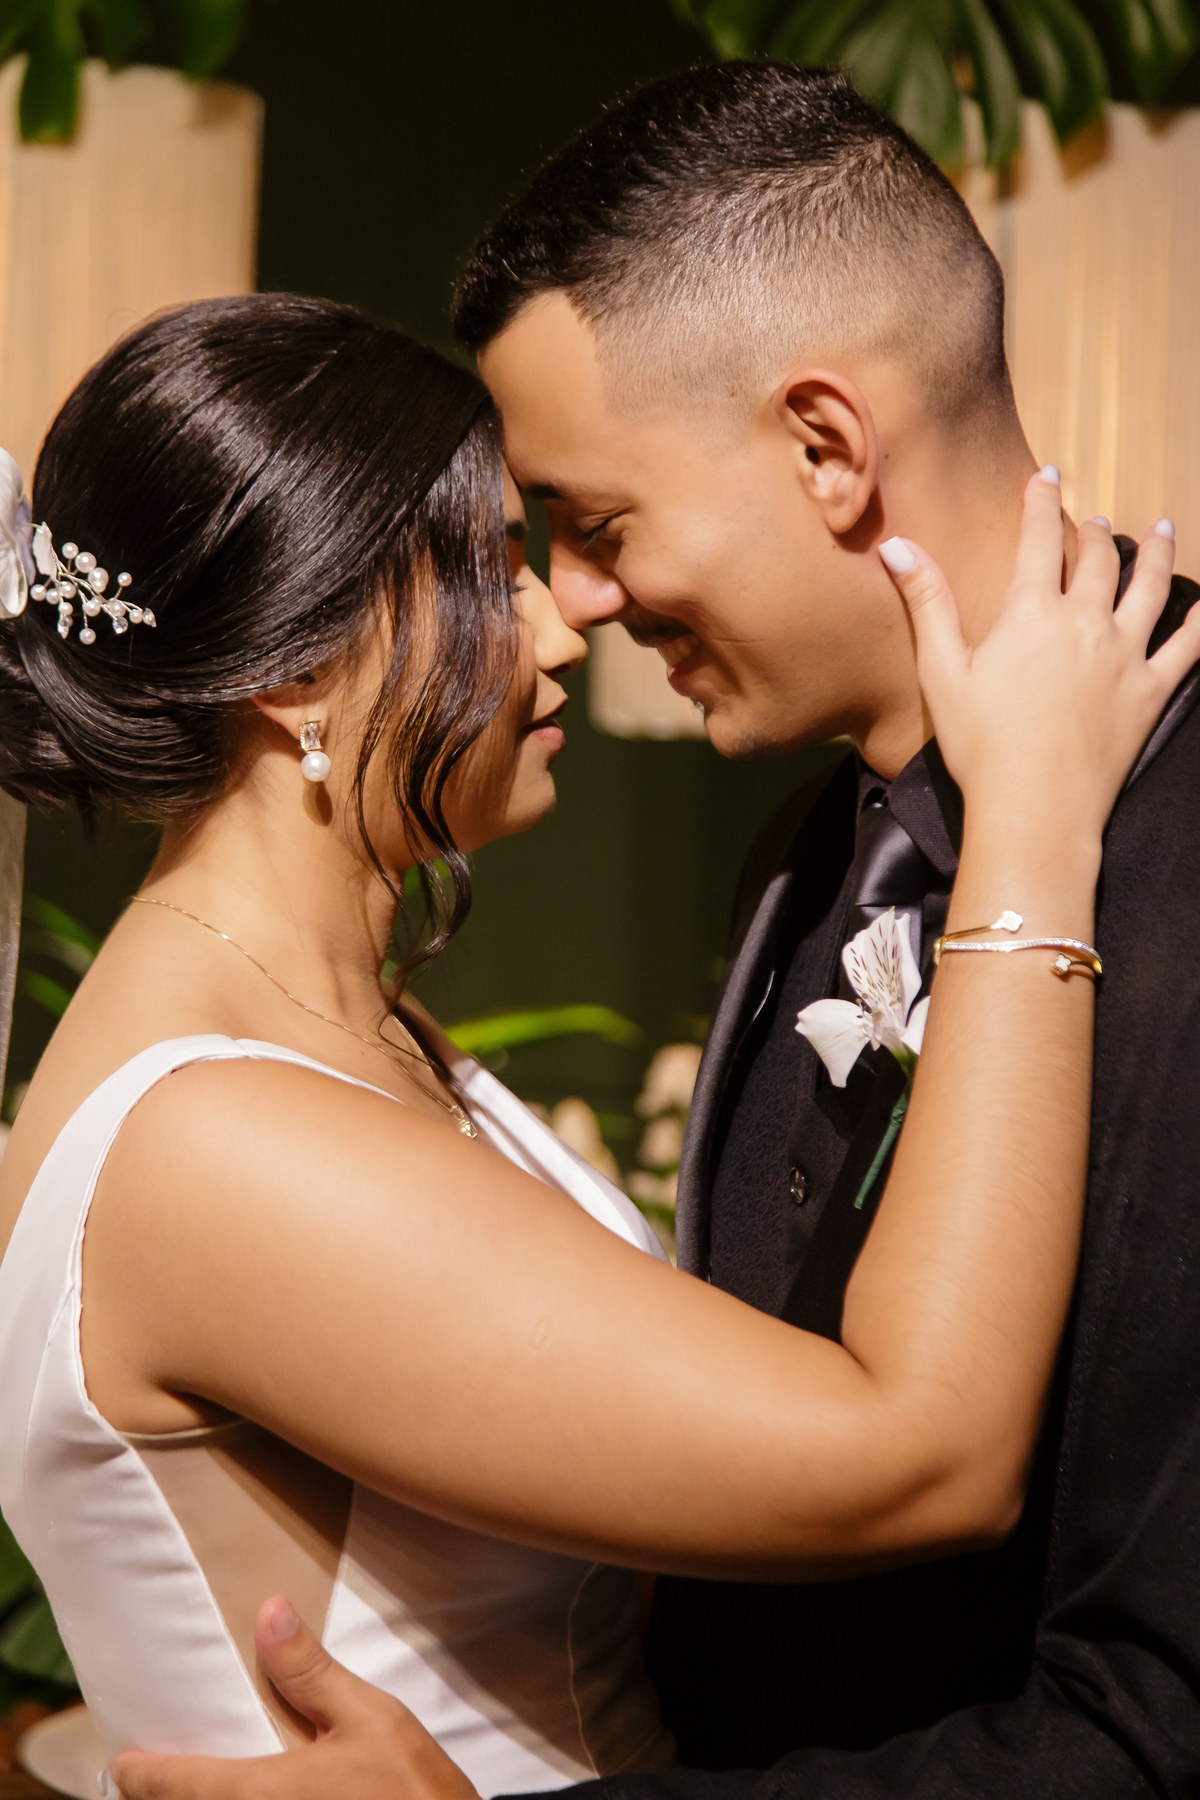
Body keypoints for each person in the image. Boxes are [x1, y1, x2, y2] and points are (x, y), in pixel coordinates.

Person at [115, 60, 1200, 1800]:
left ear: (828, 445)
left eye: (596, 524)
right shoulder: (803, 849)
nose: (575, 604)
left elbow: (1158, 1721)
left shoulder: (1177, 837)